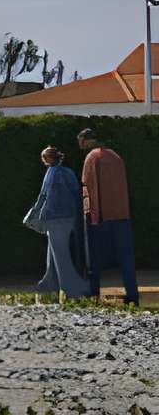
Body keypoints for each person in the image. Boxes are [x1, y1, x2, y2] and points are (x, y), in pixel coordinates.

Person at [79, 127, 140, 304]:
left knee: (94, 258)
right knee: (126, 258)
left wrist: (90, 215)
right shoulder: (115, 156)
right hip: (122, 214)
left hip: (101, 217)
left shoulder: (92, 157)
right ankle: (132, 294)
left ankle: (93, 293)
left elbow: (89, 188)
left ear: (86, 140)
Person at [26, 144, 89, 297]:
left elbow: (43, 196)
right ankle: (49, 282)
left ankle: (72, 287)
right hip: (69, 217)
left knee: (61, 254)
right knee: (54, 251)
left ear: (48, 159)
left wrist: (33, 214)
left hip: (54, 218)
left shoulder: (51, 173)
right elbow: (76, 194)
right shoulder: (68, 172)